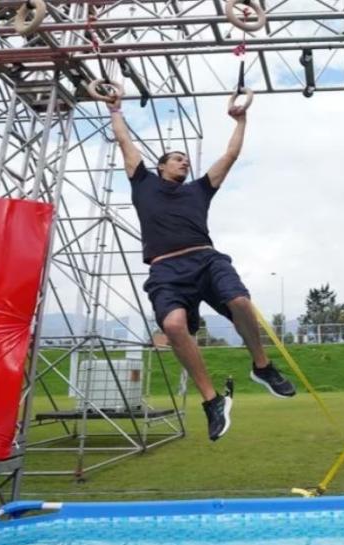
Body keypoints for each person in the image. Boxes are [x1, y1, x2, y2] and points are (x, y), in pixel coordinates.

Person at [106, 90, 296, 443]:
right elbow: (124, 140)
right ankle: (211, 402)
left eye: (186, 160)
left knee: (240, 302)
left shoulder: (200, 189)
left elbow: (231, 154)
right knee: (174, 325)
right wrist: (115, 108)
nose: (184, 163)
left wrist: (241, 120)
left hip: (206, 259)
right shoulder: (142, 183)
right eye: (177, 159)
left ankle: (262, 367)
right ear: (160, 166)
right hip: (165, 270)